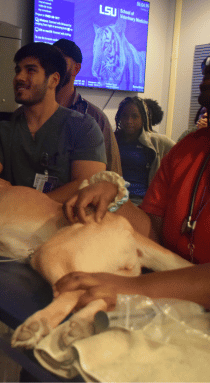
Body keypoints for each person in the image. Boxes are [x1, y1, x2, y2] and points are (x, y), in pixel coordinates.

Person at [58, 54, 210, 311]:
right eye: (205, 72)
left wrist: (134, 288)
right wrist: (113, 195)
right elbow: (154, 231)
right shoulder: (187, 149)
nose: (204, 80)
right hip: (170, 301)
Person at [0, 42, 107, 204]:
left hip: (63, 226)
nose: (19, 77)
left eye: (30, 70)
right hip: (12, 226)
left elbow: (87, 186)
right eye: (18, 70)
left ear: (53, 80)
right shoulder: (5, 131)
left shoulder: (83, 128)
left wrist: (17, 197)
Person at [53, 38, 123, 175]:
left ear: (76, 68)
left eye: (59, 59)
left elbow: (113, 174)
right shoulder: (33, 112)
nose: (52, 65)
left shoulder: (95, 118)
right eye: (49, 60)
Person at [114, 97, 175, 205]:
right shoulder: (111, 140)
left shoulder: (156, 141)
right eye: (124, 116)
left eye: (135, 116)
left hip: (142, 200)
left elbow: (182, 155)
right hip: (114, 197)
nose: (129, 121)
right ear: (119, 117)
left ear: (143, 119)